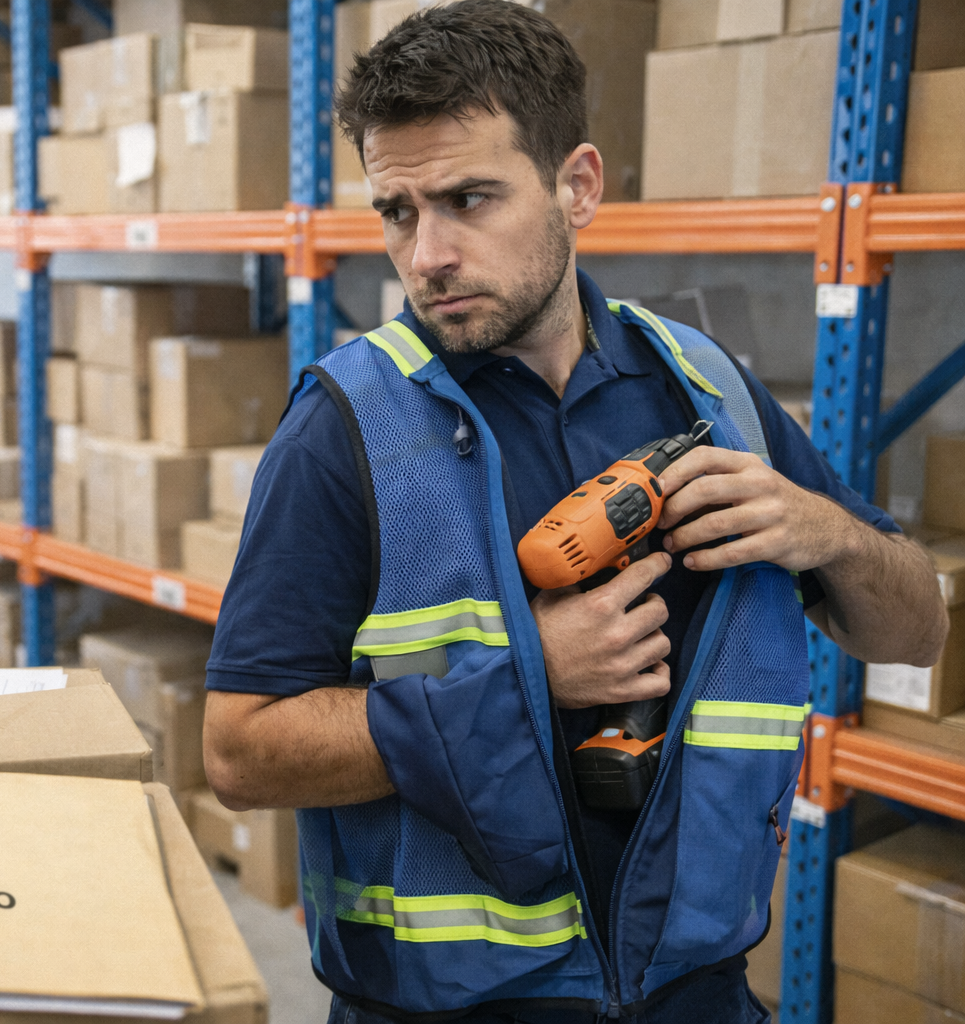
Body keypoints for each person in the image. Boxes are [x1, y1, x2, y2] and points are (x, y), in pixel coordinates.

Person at [201, 3, 949, 1021]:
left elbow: (915, 628)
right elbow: (238, 751)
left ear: (577, 185)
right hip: (447, 1008)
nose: (428, 256)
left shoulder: (710, 391)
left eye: (470, 198)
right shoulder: (345, 429)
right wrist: (527, 677)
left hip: (697, 994)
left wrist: (822, 528)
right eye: (398, 212)